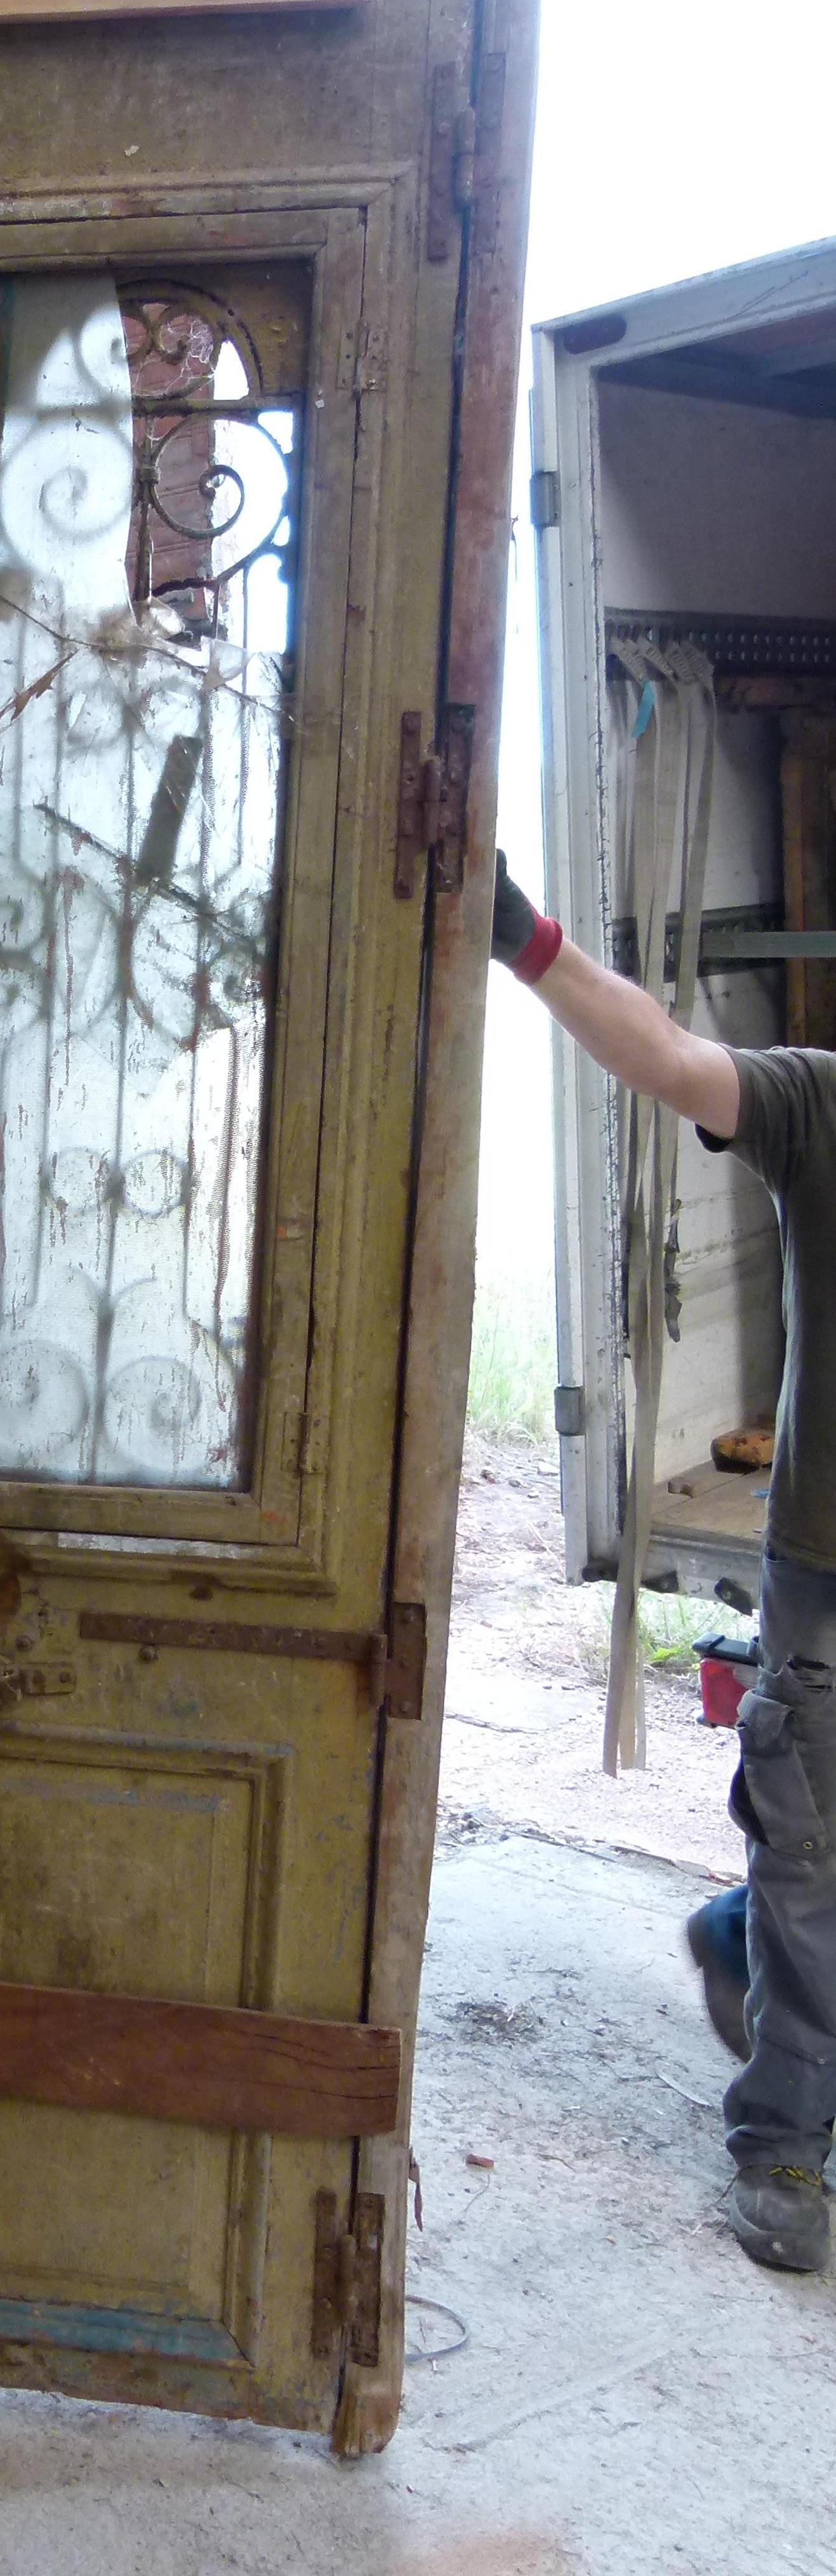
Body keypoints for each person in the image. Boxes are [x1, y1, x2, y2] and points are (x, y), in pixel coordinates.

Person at [492, 853, 836, 2274]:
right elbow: (670, 1054)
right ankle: (786, 2147)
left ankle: (733, 1937)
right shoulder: (824, 1104)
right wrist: (527, 940)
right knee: (814, 1859)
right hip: (829, 1562)